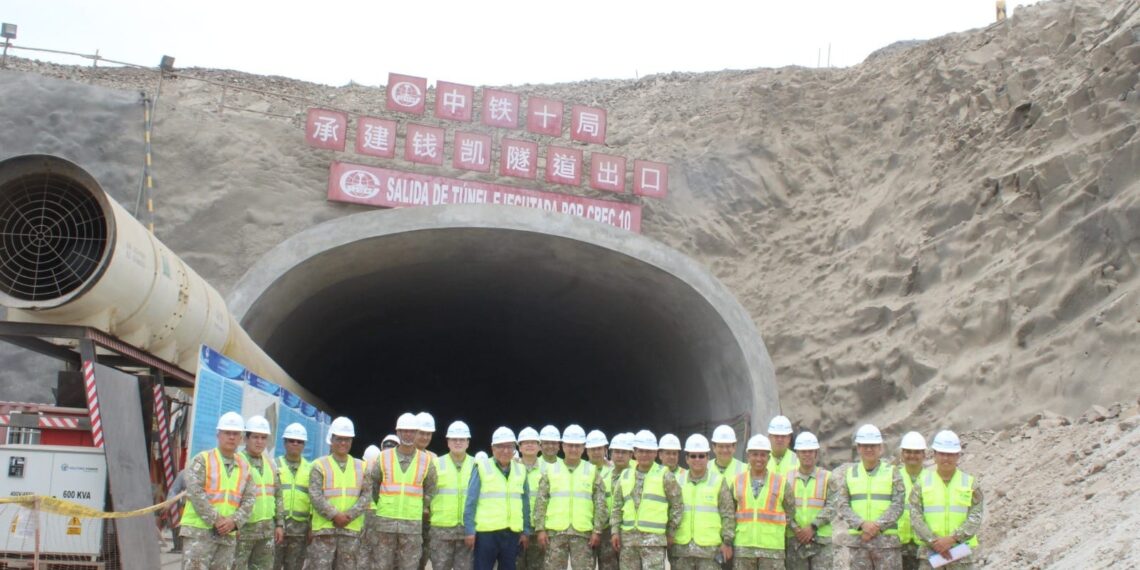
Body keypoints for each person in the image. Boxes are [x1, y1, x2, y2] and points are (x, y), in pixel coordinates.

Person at [179, 411, 255, 570]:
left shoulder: (245, 466)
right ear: (218, 435)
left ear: (241, 439)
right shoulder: (202, 459)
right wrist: (217, 519)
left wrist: (234, 521)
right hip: (199, 532)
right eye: (227, 433)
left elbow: (249, 500)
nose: (231, 437)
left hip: (227, 534)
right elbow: (195, 492)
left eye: (235, 434)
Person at [367, 412, 438, 570]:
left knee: (409, 566)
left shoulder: (426, 460)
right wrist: (387, 503)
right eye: (404, 430)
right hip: (385, 523)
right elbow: (374, 484)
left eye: (412, 431)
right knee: (382, 565)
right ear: (398, 432)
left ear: (416, 433)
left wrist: (418, 505)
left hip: (412, 525)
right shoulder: (384, 457)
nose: (408, 434)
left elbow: (431, 488)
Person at [533, 424, 606, 570]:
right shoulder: (551, 470)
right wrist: (540, 529)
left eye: (577, 446)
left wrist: (597, 531)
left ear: (583, 447)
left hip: (583, 534)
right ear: (563, 446)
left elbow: (600, 504)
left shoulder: (591, 471)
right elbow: (541, 501)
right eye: (570, 445)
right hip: (555, 533)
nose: (573, 449)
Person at [909, 431, 984, 570]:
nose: (946, 458)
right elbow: (915, 516)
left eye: (950, 454)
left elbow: (976, 516)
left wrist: (952, 539)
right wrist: (934, 541)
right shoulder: (922, 483)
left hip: (960, 554)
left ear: (958, 456)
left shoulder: (970, 484)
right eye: (942, 454)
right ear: (935, 455)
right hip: (930, 555)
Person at [610, 430, 683, 570]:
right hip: (629, 541)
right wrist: (615, 532)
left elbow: (677, 505)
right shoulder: (625, 475)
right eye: (641, 451)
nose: (644, 454)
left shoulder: (665, 475)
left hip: (653, 543)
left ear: (655, 453)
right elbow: (617, 506)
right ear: (634, 452)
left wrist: (671, 532)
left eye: (648, 451)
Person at [306, 416, 372, 569]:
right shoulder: (318, 465)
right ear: (332, 439)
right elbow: (315, 495)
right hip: (324, 531)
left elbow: (366, 496)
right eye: (339, 439)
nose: (343, 443)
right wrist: (335, 515)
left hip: (350, 530)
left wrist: (348, 516)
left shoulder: (361, 467)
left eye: (347, 439)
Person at [837, 424, 906, 570]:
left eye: (873, 445)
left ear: (880, 448)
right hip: (859, 543)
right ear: (858, 448)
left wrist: (877, 526)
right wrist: (862, 524)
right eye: (865, 445)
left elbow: (898, 504)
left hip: (887, 544)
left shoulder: (892, 472)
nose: (869, 449)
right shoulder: (850, 474)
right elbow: (842, 505)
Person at [466, 426, 532, 570]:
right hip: (486, 534)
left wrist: (526, 530)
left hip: (512, 533)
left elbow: (525, 503)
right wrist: (470, 531)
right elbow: (471, 501)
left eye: (509, 447)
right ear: (492, 448)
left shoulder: (521, 470)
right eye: (500, 447)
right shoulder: (481, 467)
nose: (506, 451)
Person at [730, 434, 797, 570]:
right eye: (755, 454)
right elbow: (730, 513)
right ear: (748, 456)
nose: (759, 459)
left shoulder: (781, 482)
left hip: (772, 549)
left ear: (768, 457)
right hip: (744, 548)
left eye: (763, 455)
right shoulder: (737, 481)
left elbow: (790, 513)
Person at [670, 434, 734, 570]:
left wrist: (727, 542)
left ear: (707, 458)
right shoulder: (676, 480)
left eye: (701, 456)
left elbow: (728, 514)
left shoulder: (718, 481)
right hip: (681, 550)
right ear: (686, 459)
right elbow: (668, 511)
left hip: (710, 552)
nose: (697, 459)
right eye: (693, 456)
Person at [234, 415, 284, 570]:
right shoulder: (237, 461)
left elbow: (278, 495)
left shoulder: (271, 463)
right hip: (243, 529)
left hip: (266, 530)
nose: (259, 441)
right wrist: (234, 525)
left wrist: (279, 524)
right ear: (245, 439)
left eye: (263, 438)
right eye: (255, 437)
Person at [784, 432, 837, 570]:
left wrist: (812, 527)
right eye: (803, 451)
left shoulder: (828, 477)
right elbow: (782, 507)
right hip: (796, 539)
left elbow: (833, 505)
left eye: (810, 451)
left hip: (821, 541)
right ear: (797, 453)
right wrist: (796, 529)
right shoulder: (786, 479)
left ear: (816, 453)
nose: (807, 454)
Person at [430, 421, 476, 570]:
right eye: (454, 439)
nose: (458, 442)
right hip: (441, 530)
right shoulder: (436, 464)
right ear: (447, 442)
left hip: (467, 531)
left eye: (462, 439)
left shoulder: (477, 465)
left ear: (468, 442)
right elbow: (426, 493)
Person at [274, 422, 312, 570]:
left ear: (304, 444)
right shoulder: (274, 465)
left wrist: (311, 527)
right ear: (284, 442)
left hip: (300, 530)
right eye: (291, 440)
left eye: (299, 441)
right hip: (277, 529)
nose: (295, 444)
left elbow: (314, 500)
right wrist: (277, 523)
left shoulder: (311, 469)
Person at [515, 426, 546, 570]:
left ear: (540, 447)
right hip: (516, 529)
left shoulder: (548, 469)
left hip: (540, 529)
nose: (529, 445)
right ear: (519, 447)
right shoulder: (511, 467)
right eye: (525, 442)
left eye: (533, 442)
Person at [592, 431, 623, 570]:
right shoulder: (583, 470)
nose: (596, 452)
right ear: (586, 450)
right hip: (588, 527)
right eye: (592, 449)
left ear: (605, 449)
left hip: (609, 528)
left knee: (609, 566)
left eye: (599, 448)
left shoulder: (615, 470)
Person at [898, 432, 927, 570]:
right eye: (908, 451)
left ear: (924, 454)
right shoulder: (893, 477)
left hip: (923, 544)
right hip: (898, 543)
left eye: (916, 452)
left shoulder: (932, 479)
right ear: (902, 454)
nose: (912, 455)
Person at [165, 467, 186, 554]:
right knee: (178, 525)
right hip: (186, 509)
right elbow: (174, 489)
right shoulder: (185, 473)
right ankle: (179, 546)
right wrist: (169, 502)